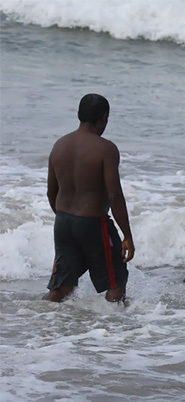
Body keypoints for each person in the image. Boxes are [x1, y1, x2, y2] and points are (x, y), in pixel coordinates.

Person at [44, 94, 134, 303]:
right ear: (104, 118)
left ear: (78, 115)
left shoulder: (59, 145)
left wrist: (67, 219)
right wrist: (127, 235)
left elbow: (51, 192)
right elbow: (114, 195)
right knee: (116, 282)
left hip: (63, 222)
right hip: (94, 223)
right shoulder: (105, 149)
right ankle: (114, 331)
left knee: (61, 288)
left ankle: (36, 319)